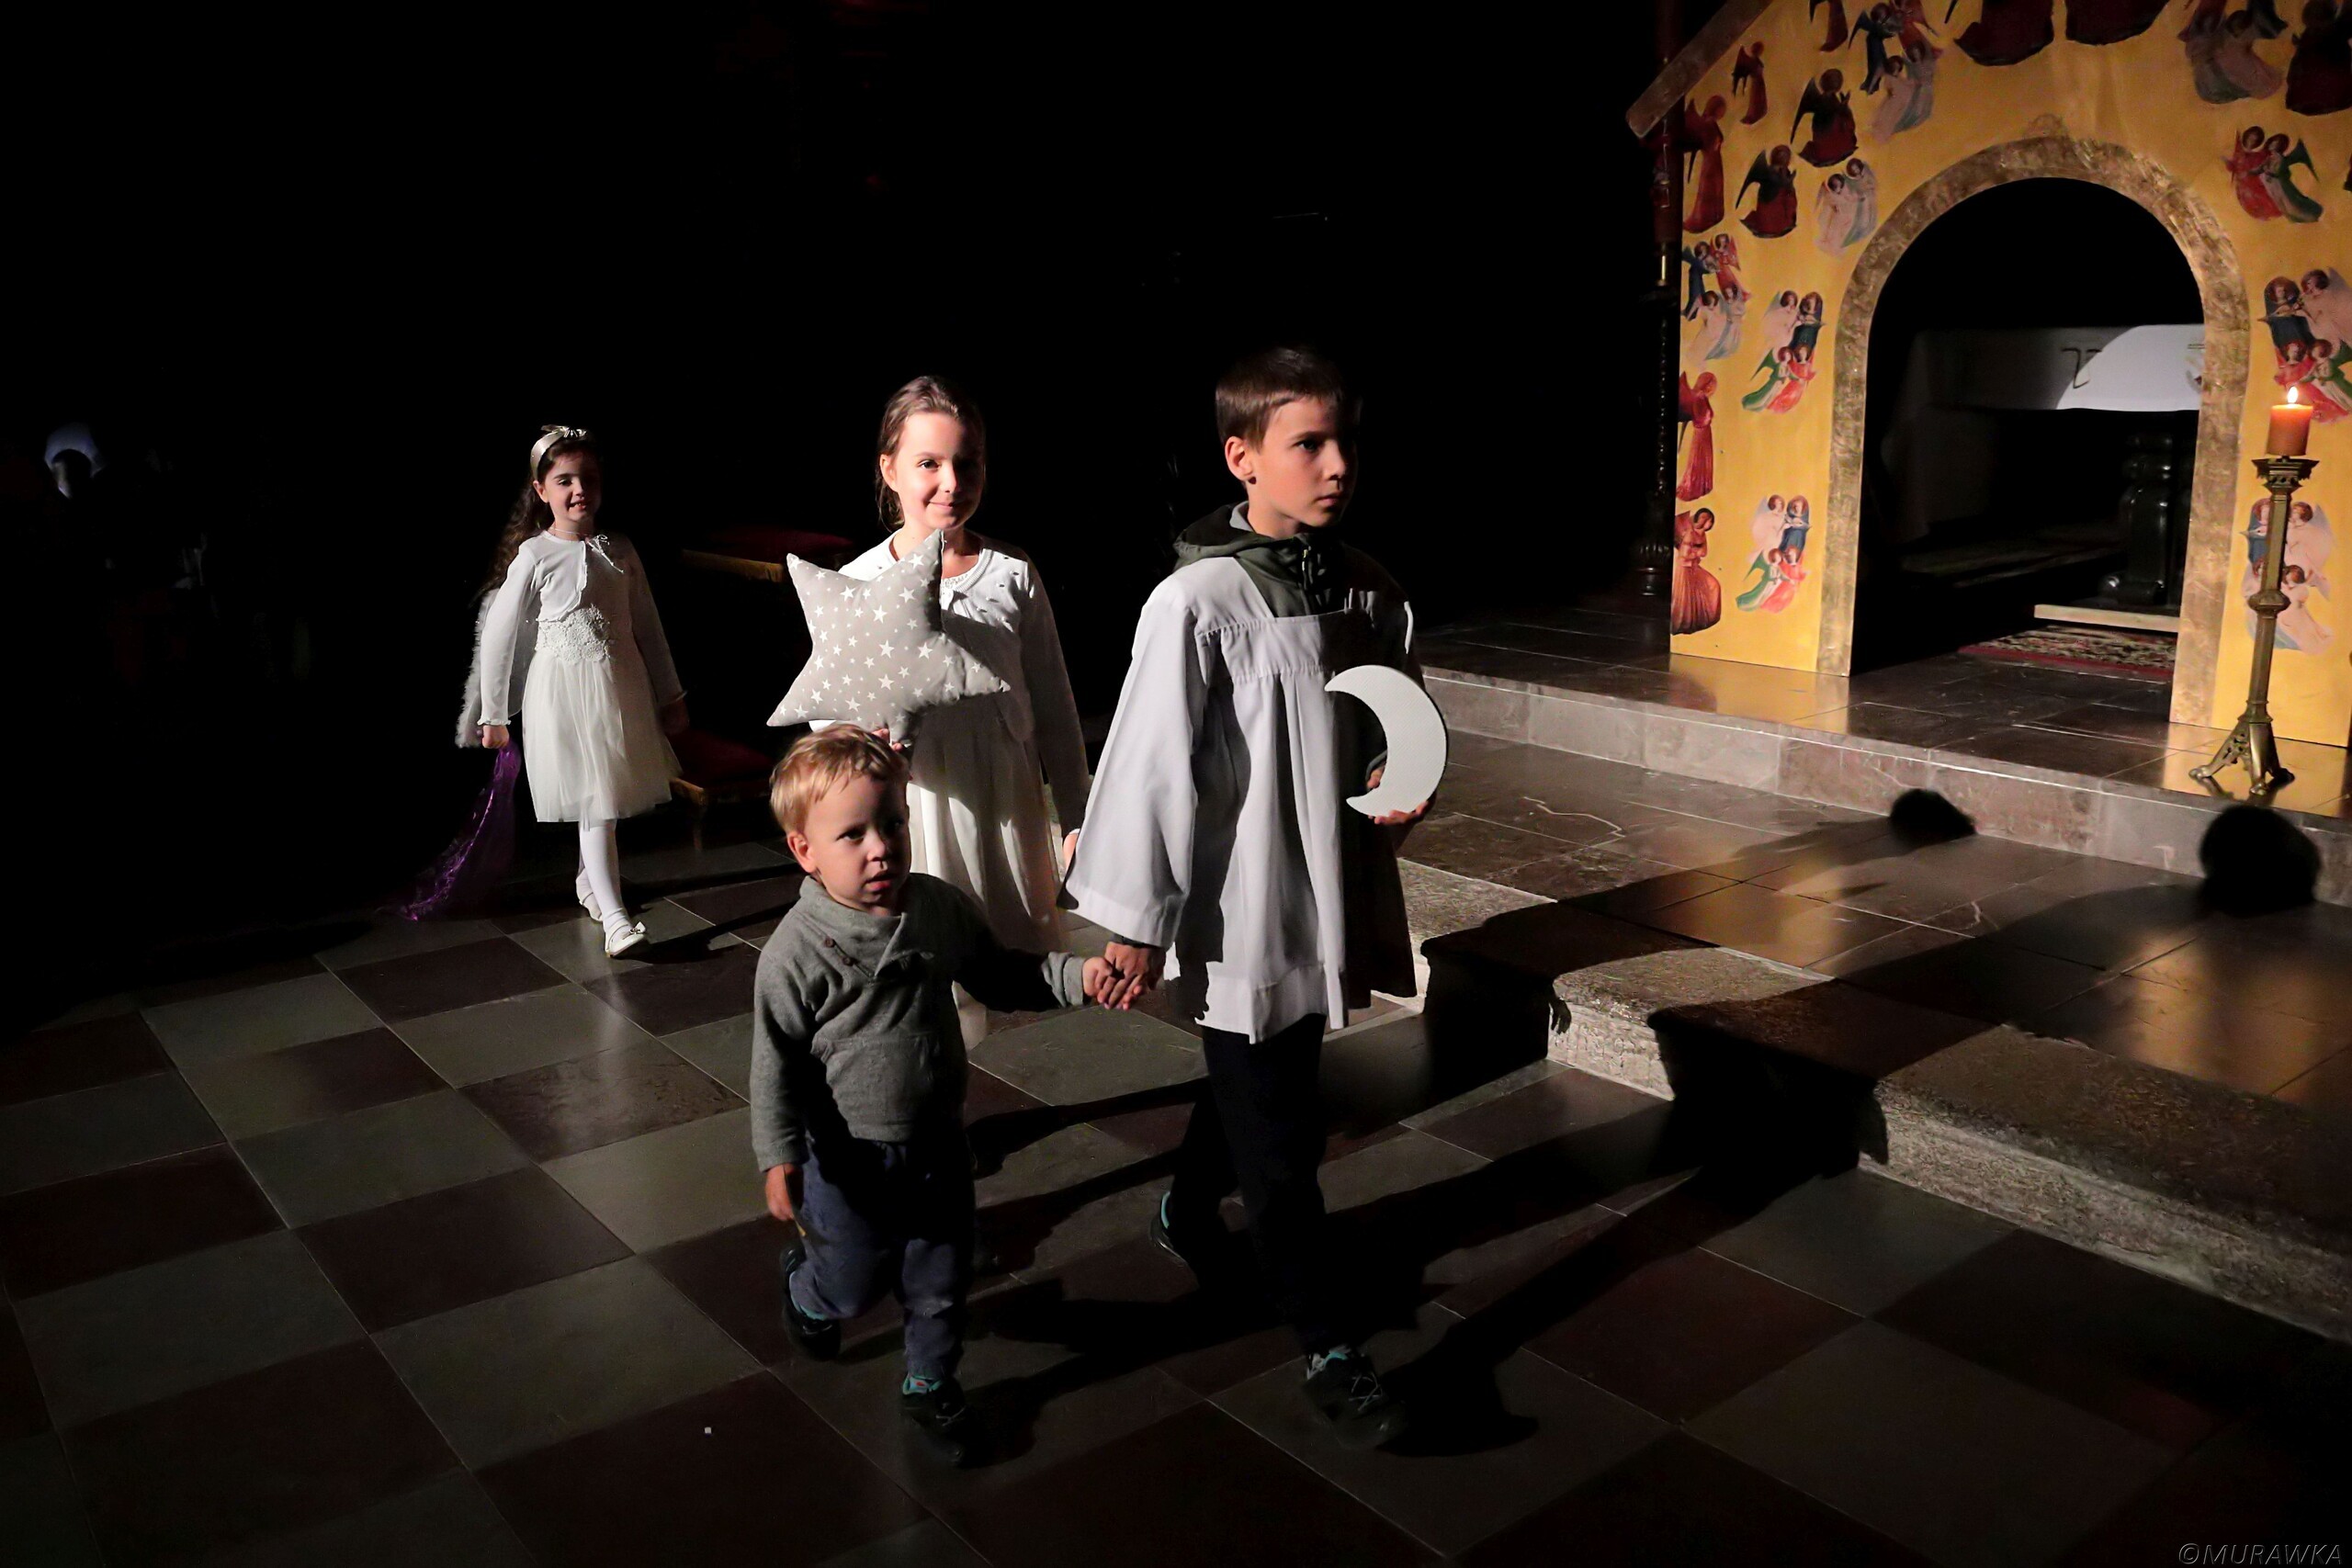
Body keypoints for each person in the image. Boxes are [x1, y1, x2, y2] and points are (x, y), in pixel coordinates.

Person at [1066, 346, 1425, 1450]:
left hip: (1327, 878)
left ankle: (1184, 1208)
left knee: (1265, 1074)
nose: (1336, 463)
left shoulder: (1366, 585)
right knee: (1281, 1133)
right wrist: (1136, 921)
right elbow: (1149, 766)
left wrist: (1399, 779)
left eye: (1344, 440)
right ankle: (1327, 1340)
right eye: (1307, 443)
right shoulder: (1197, 601)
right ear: (1242, 457)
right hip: (1243, 900)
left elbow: (1398, 715)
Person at [752, 728, 1125, 1466]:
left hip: (938, 1145)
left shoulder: (936, 909)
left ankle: (930, 1381)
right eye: (852, 834)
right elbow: (775, 1062)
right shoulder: (796, 952)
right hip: (848, 1161)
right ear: (805, 850)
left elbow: (1002, 973)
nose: (881, 848)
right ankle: (810, 1291)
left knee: (940, 1274)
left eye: (892, 823)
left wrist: (1076, 977)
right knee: (854, 1284)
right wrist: (778, 1154)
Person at [820, 377, 1090, 1047]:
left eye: (966, 463)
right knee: (927, 972)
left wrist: (1079, 815)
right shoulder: (859, 584)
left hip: (1000, 803)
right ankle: (939, 1088)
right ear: (890, 469)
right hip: (919, 808)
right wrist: (861, 745)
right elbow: (830, 716)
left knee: (998, 961)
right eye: (929, 463)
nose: (951, 482)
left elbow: (1055, 706)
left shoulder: (1011, 573)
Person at [460, 426, 686, 956]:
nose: (579, 489)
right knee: (596, 801)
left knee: (604, 797)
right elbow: (499, 637)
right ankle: (616, 919)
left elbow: (648, 626)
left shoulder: (620, 549)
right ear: (542, 491)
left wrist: (670, 694)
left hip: (619, 691)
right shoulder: (535, 554)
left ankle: (591, 883)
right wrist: (494, 713)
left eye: (589, 478)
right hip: (563, 697)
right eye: (564, 480)